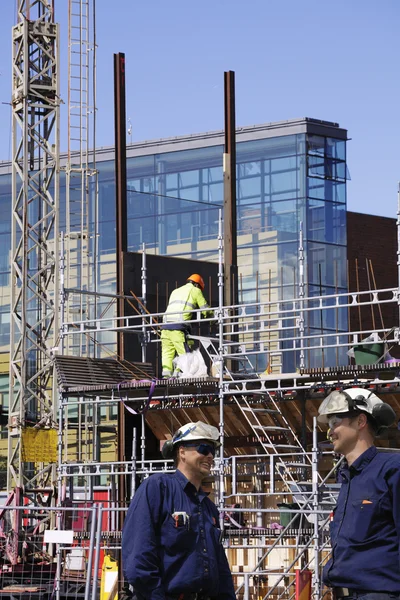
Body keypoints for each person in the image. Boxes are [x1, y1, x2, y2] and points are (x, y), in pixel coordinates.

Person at [122, 421, 236, 600]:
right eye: (204, 449)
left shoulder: (208, 508)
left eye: (213, 451)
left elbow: (221, 568)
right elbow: (138, 559)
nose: (210, 456)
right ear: (181, 451)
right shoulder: (158, 488)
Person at [317, 387, 399, 600]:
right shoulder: (349, 478)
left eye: (336, 422)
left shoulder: (391, 470)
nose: (330, 431)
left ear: (361, 421)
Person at [161, 275, 214, 379]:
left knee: (167, 353)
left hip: (165, 326)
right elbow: (205, 309)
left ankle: (166, 376)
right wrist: (212, 317)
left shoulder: (175, 291)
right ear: (197, 284)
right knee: (184, 355)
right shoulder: (195, 290)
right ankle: (179, 375)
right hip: (178, 327)